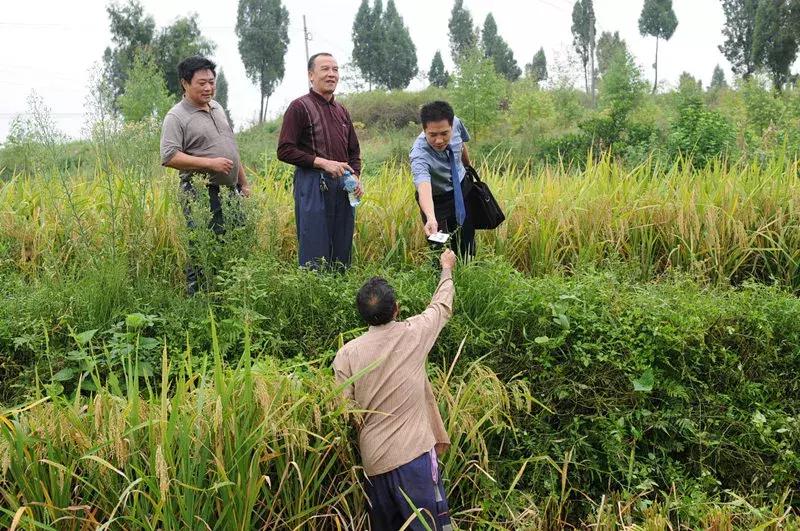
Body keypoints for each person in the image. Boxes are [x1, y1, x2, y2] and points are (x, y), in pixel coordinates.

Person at [333, 249, 457, 530]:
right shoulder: (414, 333)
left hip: (374, 463)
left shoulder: (347, 355)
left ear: (363, 315)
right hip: (414, 458)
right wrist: (446, 268)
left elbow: (345, 408)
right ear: (396, 309)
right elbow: (441, 306)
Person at [160, 55, 250, 295]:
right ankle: (198, 299)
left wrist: (243, 183)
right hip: (201, 193)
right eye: (202, 83)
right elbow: (169, 156)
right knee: (203, 246)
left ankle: (228, 295)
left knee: (235, 242)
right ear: (185, 83)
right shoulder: (176, 116)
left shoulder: (217, 108)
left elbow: (231, 148)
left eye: (211, 82)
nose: (208, 88)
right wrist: (210, 164)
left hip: (231, 192)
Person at [277, 52, 363, 270]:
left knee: (342, 248)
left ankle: (340, 286)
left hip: (343, 185)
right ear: (311, 75)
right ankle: (313, 288)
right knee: (314, 248)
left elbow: (354, 151)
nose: (331, 74)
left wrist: (355, 176)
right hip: (312, 183)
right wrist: (322, 162)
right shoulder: (299, 107)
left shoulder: (342, 111)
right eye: (325, 69)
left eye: (335, 69)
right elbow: (285, 150)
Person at [410, 101, 475, 259]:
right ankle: (441, 273)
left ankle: (468, 268)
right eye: (432, 135)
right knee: (438, 247)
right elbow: (423, 186)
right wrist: (431, 217)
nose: (439, 140)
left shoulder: (457, 122)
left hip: (461, 188)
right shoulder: (419, 154)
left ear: (452, 126)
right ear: (424, 130)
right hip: (436, 200)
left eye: (444, 134)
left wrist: (468, 165)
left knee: (467, 240)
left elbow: (461, 144)